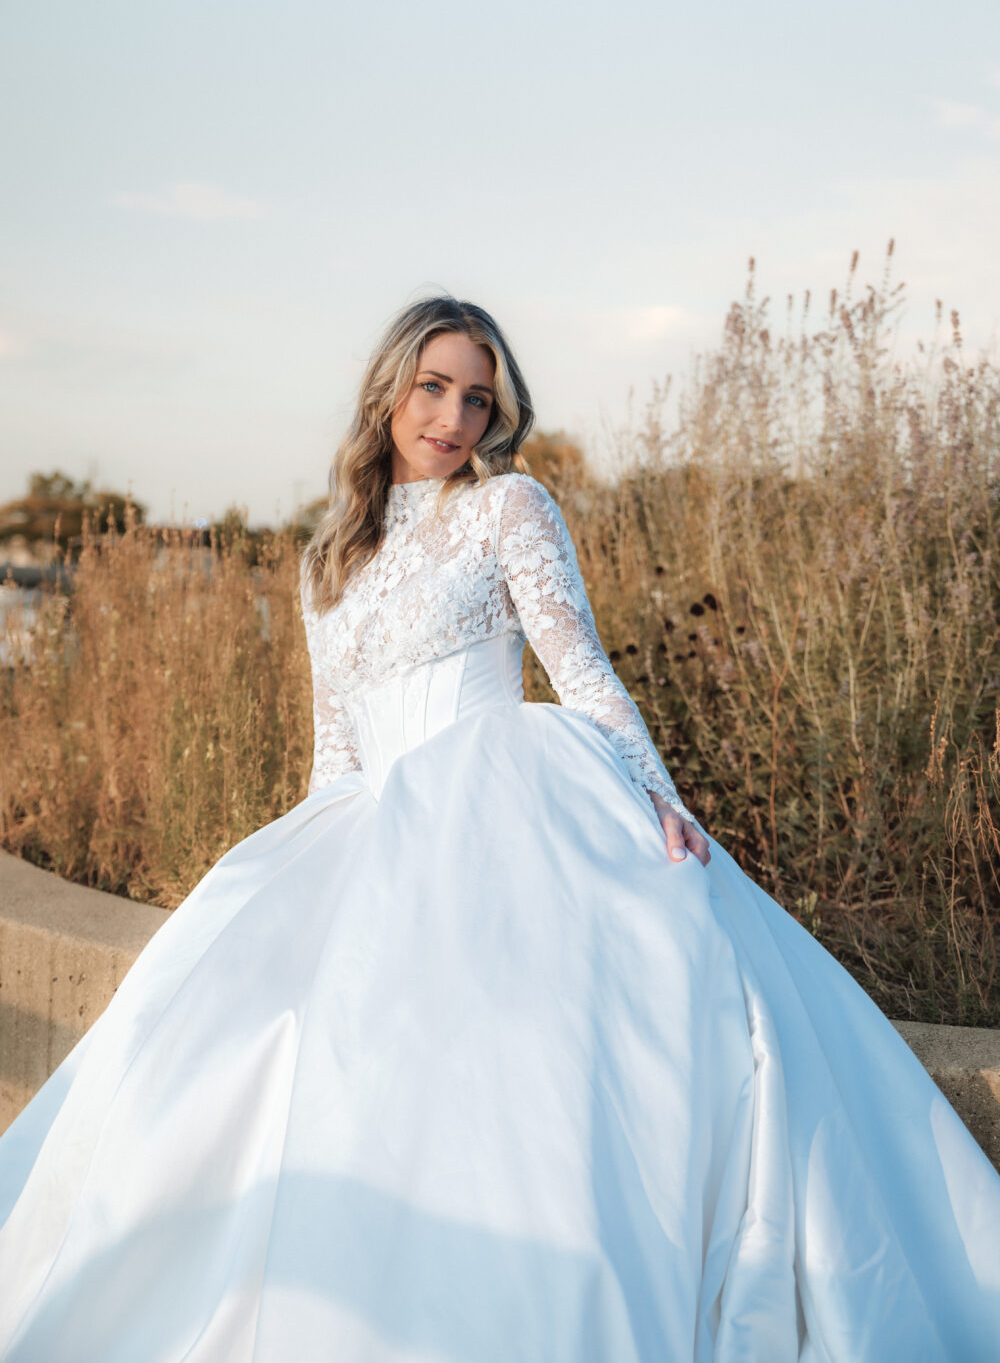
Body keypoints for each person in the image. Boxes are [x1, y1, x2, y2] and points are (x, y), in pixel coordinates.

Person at [0, 295, 998, 1362]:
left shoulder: (510, 508)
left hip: (499, 805)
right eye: (433, 387)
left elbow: (580, 670)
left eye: (478, 397)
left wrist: (662, 802)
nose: (454, 416)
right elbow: (332, 745)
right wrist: (303, 873)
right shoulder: (323, 556)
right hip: (367, 822)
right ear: (388, 389)